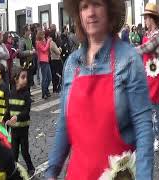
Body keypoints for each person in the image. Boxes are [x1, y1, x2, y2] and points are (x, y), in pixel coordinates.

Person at [46, 0, 153, 179]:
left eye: (96, 4)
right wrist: (51, 172)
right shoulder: (72, 63)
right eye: (84, 7)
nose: (91, 13)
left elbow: (143, 126)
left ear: (110, 10)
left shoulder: (129, 60)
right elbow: (65, 124)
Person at [136, 2, 159, 151]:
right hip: (146, 74)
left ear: (151, 18)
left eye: (146, 18)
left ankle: (158, 138)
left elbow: (147, 48)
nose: (144, 21)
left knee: (153, 107)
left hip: (154, 75)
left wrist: (128, 50)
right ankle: (150, 136)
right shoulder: (147, 34)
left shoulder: (158, 35)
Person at [6, 65, 35, 176]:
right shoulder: (11, 93)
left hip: (23, 128)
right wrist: (5, 119)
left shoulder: (26, 94)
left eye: (26, 77)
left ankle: (31, 167)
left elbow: (26, 111)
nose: (25, 80)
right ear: (15, 79)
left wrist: (17, 117)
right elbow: (8, 109)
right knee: (14, 151)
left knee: (24, 150)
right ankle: (14, 170)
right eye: (23, 77)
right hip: (14, 129)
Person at [18, 25, 35, 93]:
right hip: (25, 63)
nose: (30, 31)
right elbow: (21, 53)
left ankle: (29, 93)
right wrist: (29, 52)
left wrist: (33, 48)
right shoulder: (22, 40)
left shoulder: (29, 39)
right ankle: (26, 94)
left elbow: (31, 46)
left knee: (30, 78)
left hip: (30, 61)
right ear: (25, 31)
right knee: (26, 79)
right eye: (29, 30)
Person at [36, 30, 52, 99]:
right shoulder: (38, 43)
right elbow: (44, 49)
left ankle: (46, 90)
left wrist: (46, 41)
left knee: (49, 78)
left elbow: (47, 48)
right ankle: (44, 93)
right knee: (44, 78)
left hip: (46, 60)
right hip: (43, 61)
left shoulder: (43, 41)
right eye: (42, 35)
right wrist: (48, 42)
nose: (43, 36)